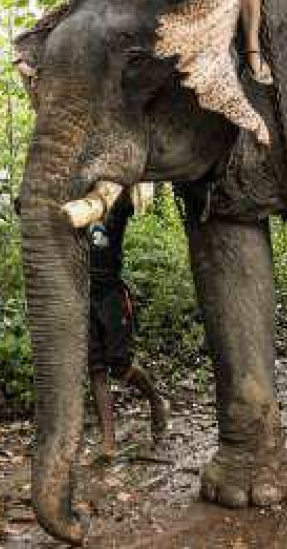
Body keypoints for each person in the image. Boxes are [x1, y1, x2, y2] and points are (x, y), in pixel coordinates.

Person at [87, 189, 168, 459]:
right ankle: (108, 441)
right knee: (96, 368)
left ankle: (155, 399)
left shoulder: (115, 207)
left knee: (120, 365)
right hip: (85, 297)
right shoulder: (77, 208)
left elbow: (127, 187)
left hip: (112, 296)